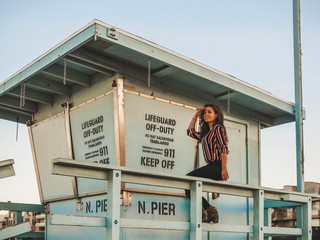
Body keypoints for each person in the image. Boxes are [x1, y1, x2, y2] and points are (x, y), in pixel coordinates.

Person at [185, 103, 229, 223]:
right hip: (211, 165)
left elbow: (223, 148)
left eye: (209, 112)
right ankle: (210, 211)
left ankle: (210, 210)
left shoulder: (218, 129)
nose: (206, 114)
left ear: (216, 115)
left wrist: (224, 168)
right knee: (188, 187)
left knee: (188, 179)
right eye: (205, 112)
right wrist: (196, 115)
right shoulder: (205, 134)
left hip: (217, 165)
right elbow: (189, 132)